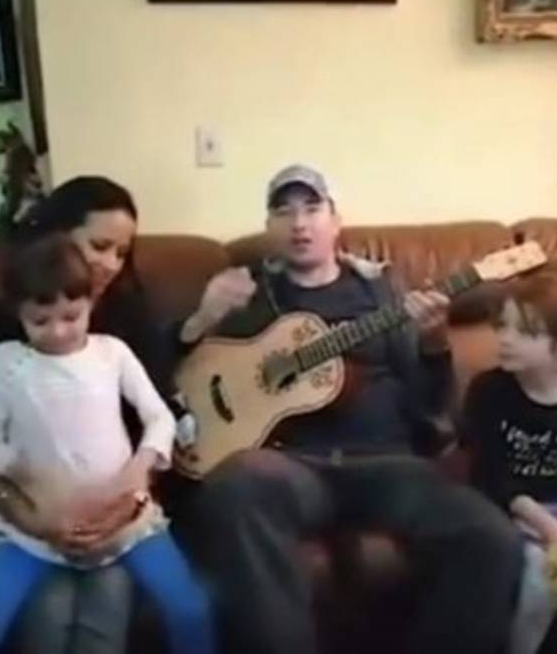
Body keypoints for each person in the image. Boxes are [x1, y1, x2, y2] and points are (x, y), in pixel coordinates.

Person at [175, 164, 521, 654]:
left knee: (491, 538)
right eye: (284, 211)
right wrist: (203, 318)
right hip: (292, 466)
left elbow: (428, 400)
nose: (299, 223)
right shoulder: (247, 293)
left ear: (336, 221)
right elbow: (181, 382)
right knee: (235, 484)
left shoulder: (382, 290)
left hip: (387, 463)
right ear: (269, 227)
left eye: (312, 208)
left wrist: (435, 343)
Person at [0, 234, 214, 654]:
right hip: (30, 532)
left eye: (71, 316)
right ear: (18, 314)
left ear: (91, 302)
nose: (56, 332)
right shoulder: (4, 361)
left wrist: (137, 468)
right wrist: (32, 477)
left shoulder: (113, 353)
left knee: (191, 611)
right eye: (40, 321)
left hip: (129, 524)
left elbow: (159, 417)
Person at [461, 272, 557, 654]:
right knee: (540, 587)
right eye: (503, 327)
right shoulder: (488, 391)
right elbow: (489, 476)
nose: (505, 339)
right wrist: (549, 530)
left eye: (524, 332)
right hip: (512, 512)